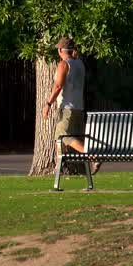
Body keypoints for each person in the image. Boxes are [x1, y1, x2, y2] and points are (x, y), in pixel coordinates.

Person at [42, 37, 86, 169]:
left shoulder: (63, 64)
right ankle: (60, 165)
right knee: (62, 138)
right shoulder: (80, 64)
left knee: (62, 137)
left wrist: (48, 104)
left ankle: (92, 156)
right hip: (79, 108)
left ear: (60, 50)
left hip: (67, 108)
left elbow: (58, 86)